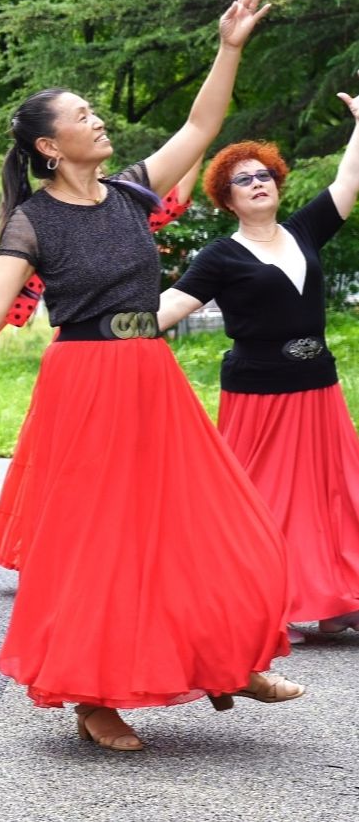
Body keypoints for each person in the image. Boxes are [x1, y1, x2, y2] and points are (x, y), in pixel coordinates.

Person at [0, 0, 303, 753]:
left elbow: (201, 124)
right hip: (85, 382)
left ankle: (226, 659)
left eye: (93, 110)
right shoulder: (33, 219)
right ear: (49, 145)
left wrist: (228, 48)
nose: (97, 119)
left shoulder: (130, 192)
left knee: (215, 524)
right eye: (81, 115)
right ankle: (92, 698)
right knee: (98, 544)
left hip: (151, 374)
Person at [158, 121, 359, 643]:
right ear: (227, 198)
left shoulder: (304, 230)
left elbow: (348, 179)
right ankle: (267, 601)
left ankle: (335, 601)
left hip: (318, 384)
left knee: (332, 492)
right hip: (259, 392)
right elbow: (174, 305)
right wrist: (105, 326)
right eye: (244, 179)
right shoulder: (220, 256)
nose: (258, 182)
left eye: (265, 174)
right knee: (261, 498)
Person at [0, 156, 202, 570]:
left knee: (139, 464)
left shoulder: (127, 208)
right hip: (82, 353)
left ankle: (135, 554)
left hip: (136, 354)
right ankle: (73, 554)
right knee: (77, 464)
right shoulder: (47, 224)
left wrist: (195, 151)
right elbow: (6, 304)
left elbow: (175, 198)